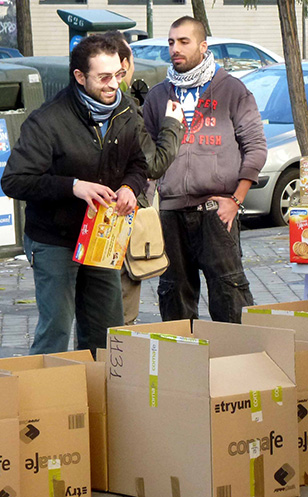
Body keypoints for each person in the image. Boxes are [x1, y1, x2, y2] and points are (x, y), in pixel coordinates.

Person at [1, 34, 148, 355]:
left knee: (107, 330)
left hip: (102, 237)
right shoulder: (48, 121)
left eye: (118, 75)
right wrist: (73, 186)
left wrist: (130, 187)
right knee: (56, 328)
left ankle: (98, 396)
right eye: (104, 78)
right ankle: (44, 399)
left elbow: (138, 164)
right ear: (80, 77)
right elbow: (14, 181)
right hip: (54, 239)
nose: (113, 85)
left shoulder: (125, 112)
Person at [142, 16, 266, 323]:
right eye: (171, 42)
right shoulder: (158, 95)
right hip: (170, 213)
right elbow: (143, 157)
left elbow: (256, 148)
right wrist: (146, 207)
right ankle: (183, 366)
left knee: (229, 296)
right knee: (174, 298)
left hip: (215, 211)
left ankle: (238, 363)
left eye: (184, 42)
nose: (175, 49)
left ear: (202, 45)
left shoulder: (232, 90)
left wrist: (235, 200)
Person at [103, 30, 185, 325]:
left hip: (93, 218)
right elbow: (154, 164)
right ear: (122, 64)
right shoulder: (124, 108)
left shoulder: (95, 104)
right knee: (122, 310)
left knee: (97, 308)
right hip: (120, 214)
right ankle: (117, 364)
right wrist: (172, 124)